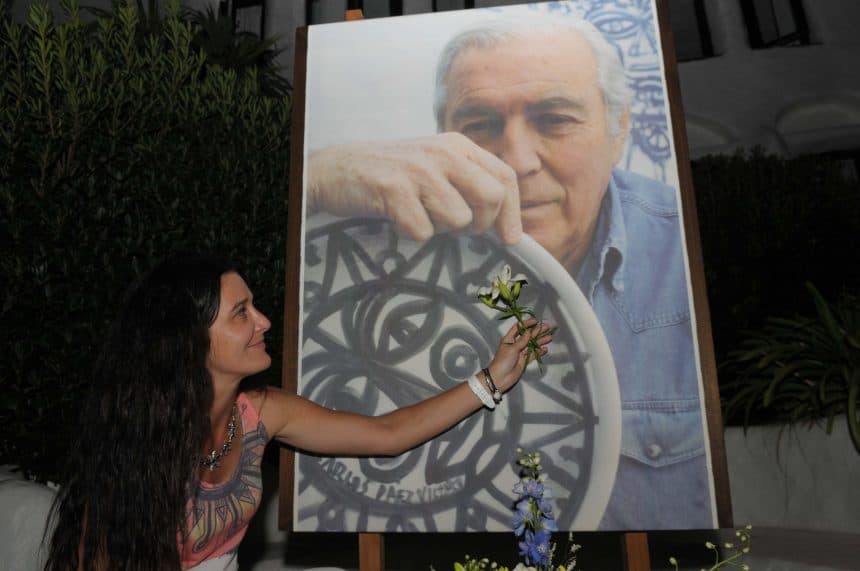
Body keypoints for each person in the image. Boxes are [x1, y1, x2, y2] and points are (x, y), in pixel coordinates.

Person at [306, 15, 713, 529]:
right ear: (442, 136)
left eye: (555, 119)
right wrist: (314, 177)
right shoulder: (384, 247)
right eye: (479, 124)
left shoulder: (684, 254)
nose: (517, 161)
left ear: (619, 129)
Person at [44, 253, 550, 570]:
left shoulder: (261, 412)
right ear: (189, 340)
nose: (264, 321)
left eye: (254, 306)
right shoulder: (135, 454)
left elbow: (387, 434)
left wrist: (491, 379)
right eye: (241, 313)